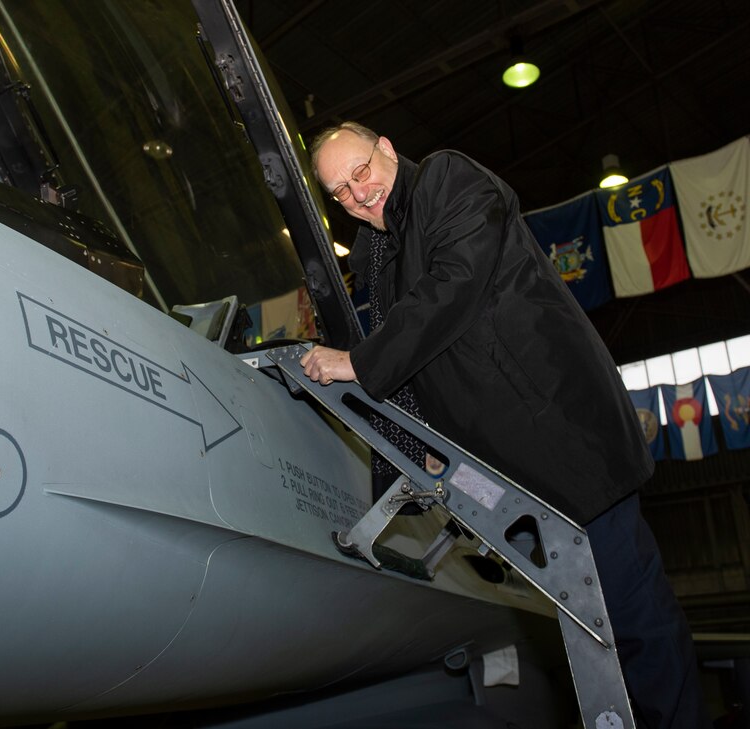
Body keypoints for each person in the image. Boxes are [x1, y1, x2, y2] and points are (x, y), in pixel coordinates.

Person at [301, 121, 709, 729]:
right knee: (593, 638)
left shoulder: (444, 178)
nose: (357, 193)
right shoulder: (380, 256)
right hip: (511, 471)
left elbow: (455, 284)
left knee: (631, 618)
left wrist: (359, 363)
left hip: (565, 444)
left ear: (387, 149)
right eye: (340, 190)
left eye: (360, 171)